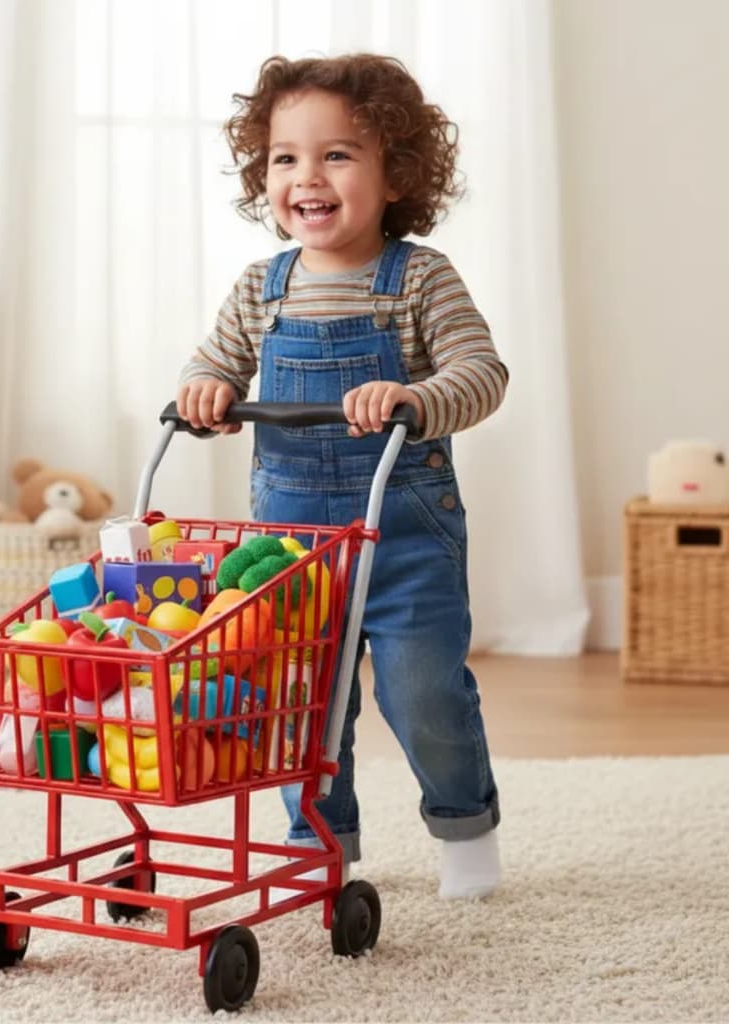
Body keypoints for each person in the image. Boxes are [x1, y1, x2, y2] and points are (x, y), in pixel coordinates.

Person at [176, 53, 508, 899]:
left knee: (422, 690)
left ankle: (464, 827)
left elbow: (481, 373)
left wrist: (416, 396)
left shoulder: (421, 277)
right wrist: (207, 390)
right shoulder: (263, 288)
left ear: (395, 172)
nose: (307, 177)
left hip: (403, 532)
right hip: (293, 543)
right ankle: (320, 844)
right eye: (286, 157)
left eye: (338, 154)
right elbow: (210, 367)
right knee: (302, 705)